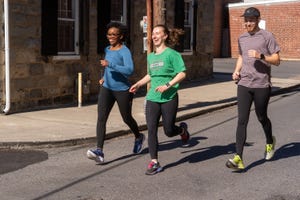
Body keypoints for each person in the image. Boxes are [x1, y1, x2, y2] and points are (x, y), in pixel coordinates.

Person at [129, 24, 190, 175]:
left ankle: (182, 130)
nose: (154, 36)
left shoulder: (172, 54)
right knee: (151, 130)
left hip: (169, 97)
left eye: (157, 33)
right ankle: (154, 162)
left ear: (165, 36)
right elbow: (151, 75)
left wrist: (168, 85)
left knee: (169, 131)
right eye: (153, 33)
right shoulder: (151, 56)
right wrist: (138, 83)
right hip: (152, 98)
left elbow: (182, 74)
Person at [226, 7, 280, 171]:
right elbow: (241, 56)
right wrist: (236, 71)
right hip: (244, 83)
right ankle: (238, 158)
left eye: (251, 20)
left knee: (261, 116)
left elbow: (277, 60)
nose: (248, 23)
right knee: (242, 120)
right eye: (246, 20)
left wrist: (261, 56)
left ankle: (270, 141)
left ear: (257, 20)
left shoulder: (267, 36)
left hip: (261, 84)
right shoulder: (242, 38)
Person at [87, 22, 144, 164]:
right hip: (107, 88)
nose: (110, 37)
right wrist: (103, 77)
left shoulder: (124, 51)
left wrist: (110, 65)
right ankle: (99, 151)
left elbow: (129, 70)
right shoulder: (108, 49)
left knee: (126, 118)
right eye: (109, 34)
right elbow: (107, 67)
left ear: (121, 36)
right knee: (101, 118)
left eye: (114, 34)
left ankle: (138, 136)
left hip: (122, 90)